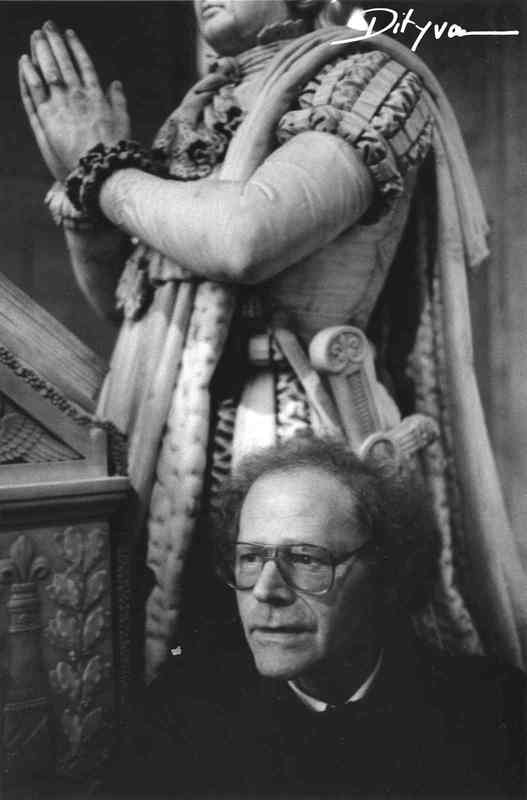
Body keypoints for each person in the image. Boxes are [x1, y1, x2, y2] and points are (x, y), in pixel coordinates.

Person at [18, 0, 527, 682]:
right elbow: (131, 299)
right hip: (170, 433)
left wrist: (101, 171)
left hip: (301, 426)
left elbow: (243, 241)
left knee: (304, 654)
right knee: (187, 668)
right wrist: (81, 191)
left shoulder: (367, 79)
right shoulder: (200, 107)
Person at [103, 436, 525, 799]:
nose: (266, 589)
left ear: (385, 572)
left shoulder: (493, 717)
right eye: (250, 558)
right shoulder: (179, 718)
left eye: (306, 558)